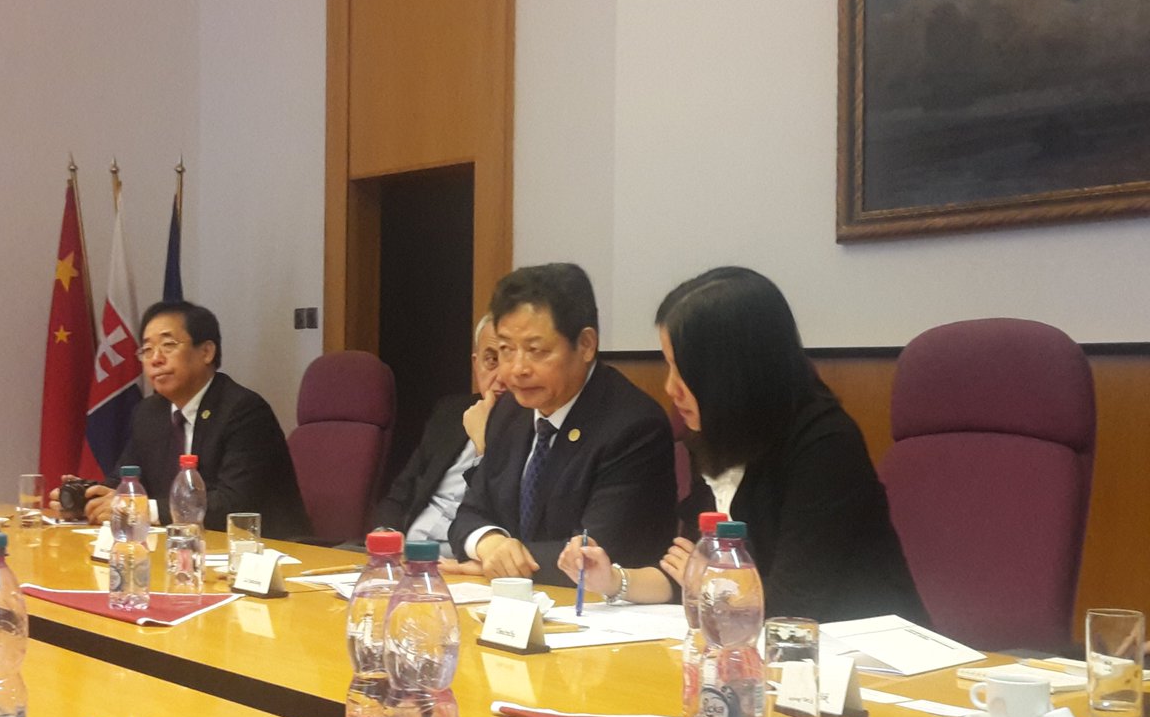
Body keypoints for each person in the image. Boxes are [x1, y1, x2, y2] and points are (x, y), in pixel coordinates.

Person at [559, 267, 929, 624]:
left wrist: (708, 582)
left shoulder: (825, 445)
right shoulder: (716, 434)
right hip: (755, 642)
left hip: (864, 651)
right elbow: (684, 571)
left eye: (682, 369)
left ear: (730, 371)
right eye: (667, 365)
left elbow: (793, 601)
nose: (670, 387)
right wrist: (613, 580)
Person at [448, 263, 677, 585]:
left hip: (603, 608)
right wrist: (489, 544)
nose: (516, 369)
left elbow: (596, 553)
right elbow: (469, 514)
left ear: (585, 345)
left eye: (536, 350)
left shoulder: (633, 426)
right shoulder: (510, 411)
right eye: (505, 350)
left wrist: (501, 564)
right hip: (518, 601)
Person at [51, 301, 311, 540]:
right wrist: (87, 499)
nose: (156, 359)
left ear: (206, 352)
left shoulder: (244, 411)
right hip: (183, 550)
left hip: (267, 552)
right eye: (147, 350)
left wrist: (143, 510)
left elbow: (234, 504)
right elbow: (123, 481)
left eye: (168, 345)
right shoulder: (149, 413)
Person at [372, 315, 506, 556]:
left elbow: (503, 511)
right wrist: (385, 533)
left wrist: (483, 446)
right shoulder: (450, 412)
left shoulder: (535, 431)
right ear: (476, 364)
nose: (502, 377)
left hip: (463, 562)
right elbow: (400, 492)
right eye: (492, 360)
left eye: (510, 360)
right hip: (405, 557)